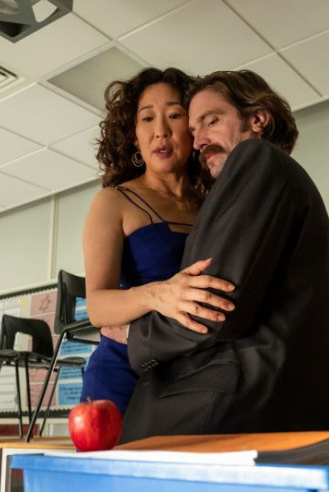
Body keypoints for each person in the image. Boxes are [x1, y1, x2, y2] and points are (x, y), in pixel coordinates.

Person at [120, 70, 329, 442]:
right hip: (285, 410)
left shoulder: (255, 158)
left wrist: (132, 334)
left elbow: (211, 305)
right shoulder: (290, 183)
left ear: (257, 119)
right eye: (193, 130)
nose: (198, 141)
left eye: (211, 121)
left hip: (227, 411)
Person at [79, 67, 235, 416]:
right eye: (147, 118)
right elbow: (98, 307)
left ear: (192, 128)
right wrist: (160, 294)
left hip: (195, 376)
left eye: (174, 115)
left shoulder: (213, 206)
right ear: (134, 136)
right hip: (124, 375)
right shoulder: (113, 202)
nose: (161, 130)